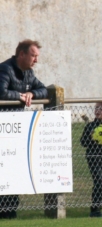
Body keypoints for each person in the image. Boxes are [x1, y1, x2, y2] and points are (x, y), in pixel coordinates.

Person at [0, 39, 48, 219]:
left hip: (16, 131)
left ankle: (10, 211)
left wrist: (32, 93)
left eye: (37, 56)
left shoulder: (29, 74)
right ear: (22, 55)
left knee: (13, 171)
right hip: (2, 130)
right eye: (33, 55)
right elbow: (1, 92)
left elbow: (44, 89)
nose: (36, 60)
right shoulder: (5, 69)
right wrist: (20, 95)